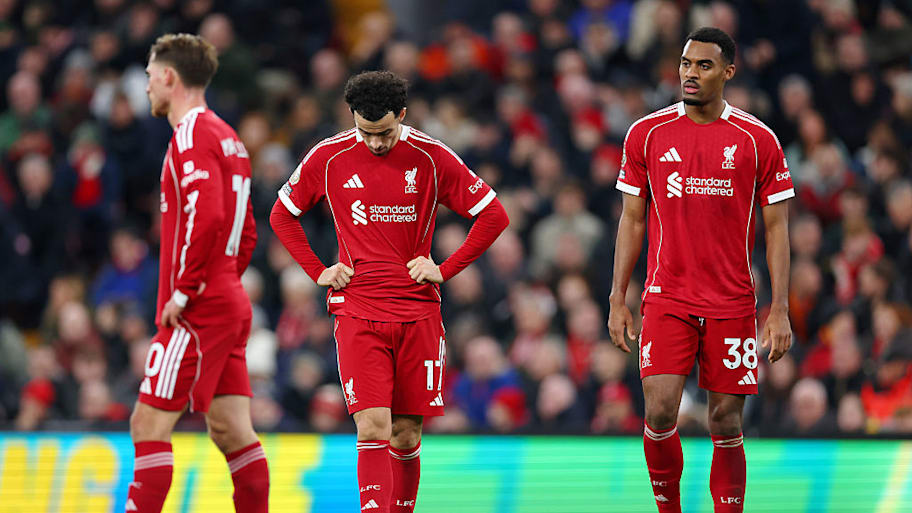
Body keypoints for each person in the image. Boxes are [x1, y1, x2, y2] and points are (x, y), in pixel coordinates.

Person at [270, 70, 509, 513]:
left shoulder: (432, 156)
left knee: (406, 433)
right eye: (365, 132)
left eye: (384, 133)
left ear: (402, 114)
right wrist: (318, 271)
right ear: (351, 117)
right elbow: (282, 215)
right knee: (373, 426)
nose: (376, 143)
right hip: (357, 309)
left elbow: (493, 215)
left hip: (418, 310)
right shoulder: (328, 156)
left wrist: (445, 268)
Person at [608, 27, 794, 513]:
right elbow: (631, 219)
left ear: (728, 72)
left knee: (726, 423)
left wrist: (779, 309)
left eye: (704, 66)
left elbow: (777, 230)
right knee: (660, 408)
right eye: (686, 64)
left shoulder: (758, 141)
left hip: (732, 300)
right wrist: (616, 298)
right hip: (667, 296)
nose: (690, 74)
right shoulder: (646, 133)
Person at [126, 34, 267, 513]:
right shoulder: (229, 136)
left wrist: (187, 292)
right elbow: (244, 227)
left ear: (169, 76)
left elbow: (207, 217)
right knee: (232, 429)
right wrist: (227, 278)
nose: (145, 87)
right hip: (226, 296)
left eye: (148, 76)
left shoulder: (189, 135)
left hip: (200, 306)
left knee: (147, 426)